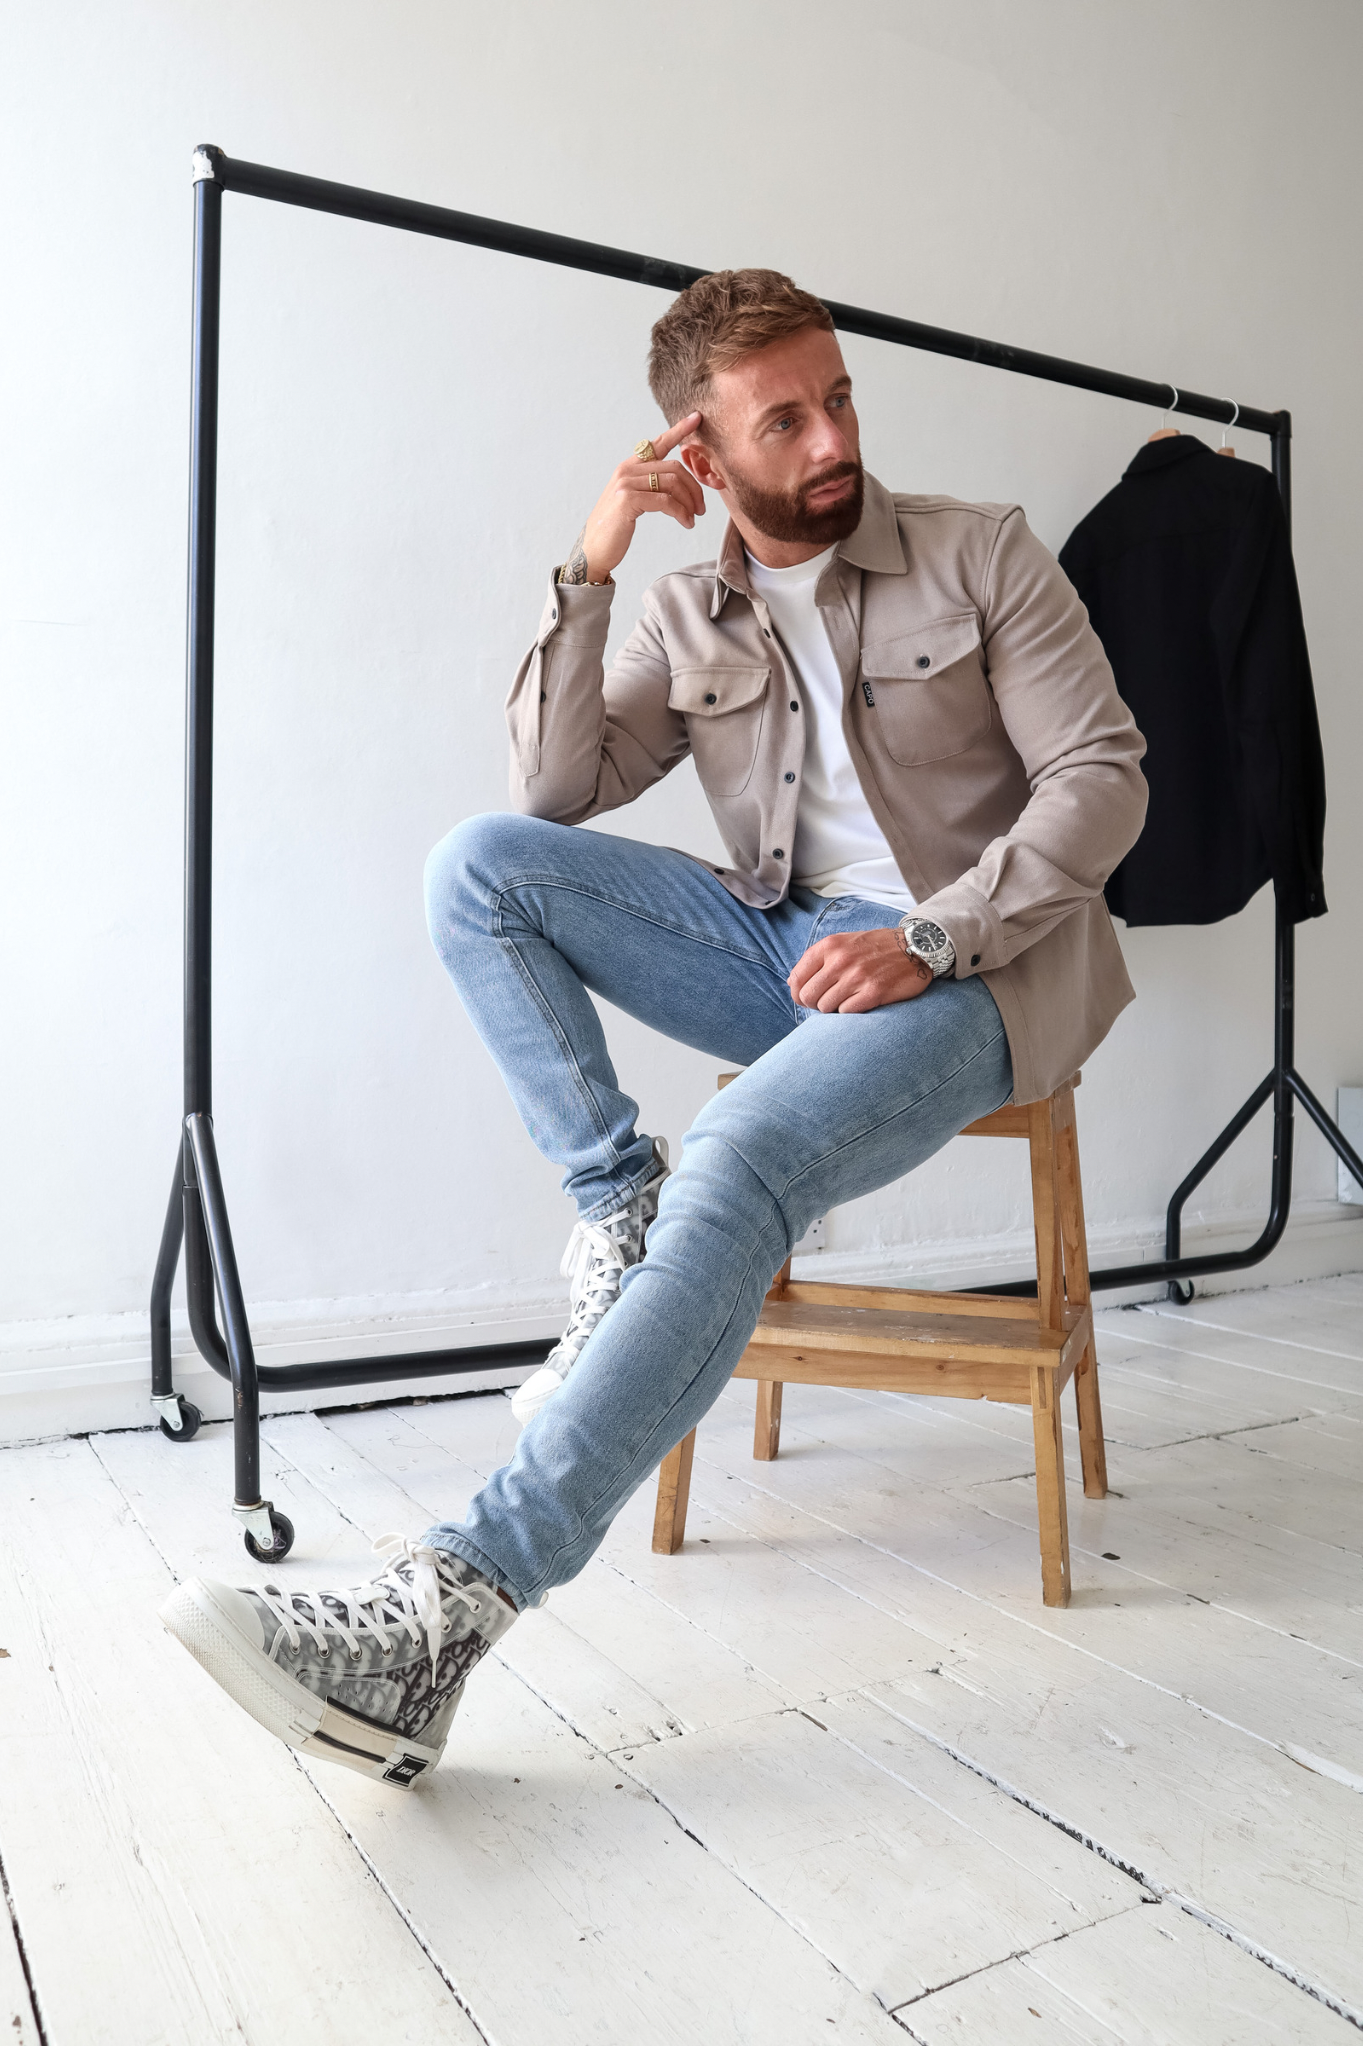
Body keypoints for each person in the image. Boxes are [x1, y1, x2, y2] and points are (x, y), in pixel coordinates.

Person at [160, 270, 1147, 1789]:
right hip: (787, 949)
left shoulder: (981, 552)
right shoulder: (691, 607)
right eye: (784, 420)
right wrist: (594, 562)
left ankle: (445, 1613)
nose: (833, 438)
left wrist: (929, 937)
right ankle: (618, 1202)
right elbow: (554, 793)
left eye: (838, 399)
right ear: (701, 447)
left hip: (981, 968)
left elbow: (1102, 778)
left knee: (737, 1154)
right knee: (479, 868)